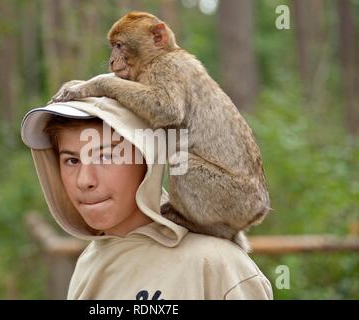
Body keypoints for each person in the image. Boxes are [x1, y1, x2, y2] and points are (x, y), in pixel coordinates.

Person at [21, 96, 273, 300]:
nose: (84, 179)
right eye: (72, 160)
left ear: (147, 160)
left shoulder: (218, 265)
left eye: (106, 157)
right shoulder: (89, 263)